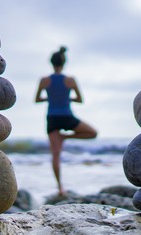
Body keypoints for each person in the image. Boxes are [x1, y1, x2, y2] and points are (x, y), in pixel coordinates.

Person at [35, 46, 97, 195]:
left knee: (55, 154)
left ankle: (60, 188)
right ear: (64, 63)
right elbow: (80, 99)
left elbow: (37, 99)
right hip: (67, 116)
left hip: (52, 118)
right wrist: (67, 97)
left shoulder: (44, 80)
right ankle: (66, 136)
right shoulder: (70, 80)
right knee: (92, 133)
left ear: (51, 62)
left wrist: (50, 97)